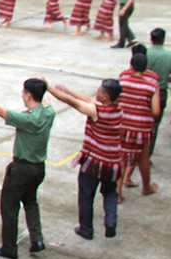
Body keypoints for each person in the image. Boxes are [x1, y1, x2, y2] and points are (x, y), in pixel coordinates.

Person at [0, 80, 55, 259]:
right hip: (38, 168)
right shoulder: (48, 112)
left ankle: (9, 247)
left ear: (28, 95)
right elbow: (47, 99)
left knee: (9, 207)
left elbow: (2, 112)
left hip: (22, 168)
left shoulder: (27, 119)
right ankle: (37, 238)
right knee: (31, 201)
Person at [47, 78, 124, 239]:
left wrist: (49, 88)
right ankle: (110, 221)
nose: (97, 91)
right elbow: (88, 100)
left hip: (95, 161)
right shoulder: (119, 109)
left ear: (106, 96)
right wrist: (67, 89)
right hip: (113, 161)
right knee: (110, 192)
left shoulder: (97, 112)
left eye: (100, 90)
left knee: (86, 193)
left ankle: (86, 229)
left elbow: (73, 103)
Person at [117, 51, 160, 198]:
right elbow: (156, 111)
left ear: (131, 65)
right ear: (145, 68)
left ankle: (118, 192)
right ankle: (146, 187)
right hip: (142, 127)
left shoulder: (122, 80)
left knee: (122, 158)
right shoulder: (152, 84)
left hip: (123, 124)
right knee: (143, 158)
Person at [148, 28, 170, 152]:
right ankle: (147, 154)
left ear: (151, 39)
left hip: (144, 92)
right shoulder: (168, 55)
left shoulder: (144, 53)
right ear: (163, 39)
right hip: (161, 92)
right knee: (154, 125)